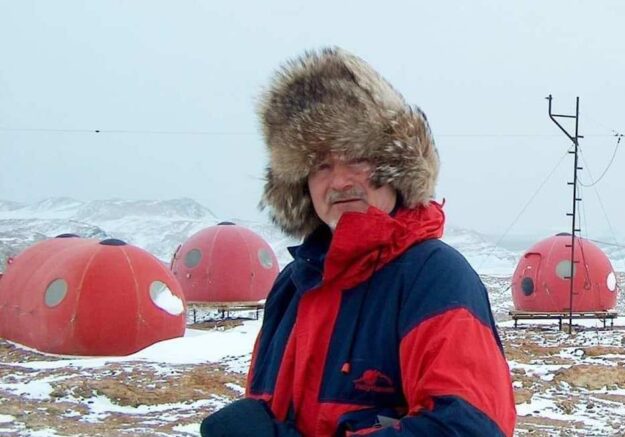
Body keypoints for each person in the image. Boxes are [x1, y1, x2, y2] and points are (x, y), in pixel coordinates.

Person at [201, 47, 516, 437]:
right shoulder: (292, 286)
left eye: (356, 158)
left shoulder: (433, 276)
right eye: (320, 165)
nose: (339, 181)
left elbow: (468, 428)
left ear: (396, 167)